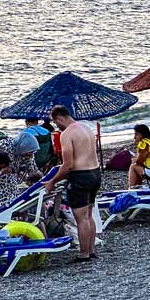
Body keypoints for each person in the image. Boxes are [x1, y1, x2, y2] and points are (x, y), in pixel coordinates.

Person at [45, 105, 100, 261]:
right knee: (88, 215)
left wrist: (52, 181)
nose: (57, 127)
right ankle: (91, 250)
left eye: (56, 123)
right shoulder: (86, 128)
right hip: (95, 173)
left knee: (81, 217)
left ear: (59, 118)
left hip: (80, 177)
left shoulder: (67, 134)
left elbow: (68, 164)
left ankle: (84, 254)